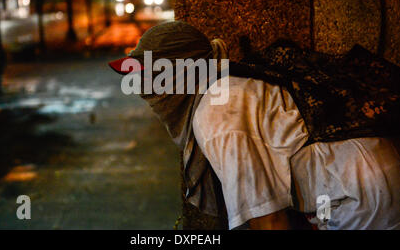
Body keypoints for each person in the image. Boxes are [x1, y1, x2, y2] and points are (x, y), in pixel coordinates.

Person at [109, 20, 400, 230]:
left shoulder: (216, 114)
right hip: (358, 184)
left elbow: (268, 221)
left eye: (150, 75)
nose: (143, 88)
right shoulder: (226, 89)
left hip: (361, 198)